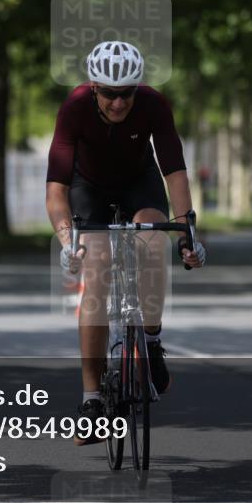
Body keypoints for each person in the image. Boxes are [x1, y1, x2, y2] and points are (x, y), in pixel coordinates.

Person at [45, 40, 206, 446]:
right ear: (94, 87)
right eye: (109, 93)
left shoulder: (153, 104)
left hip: (139, 181)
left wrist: (187, 234)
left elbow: (174, 172)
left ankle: (150, 340)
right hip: (89, 186)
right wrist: (67, 241)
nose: (119, 102)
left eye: (127, 93)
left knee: (153, 241)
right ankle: (91, 399)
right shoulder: (75, 107)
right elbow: (56, 188)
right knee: (96, 269)